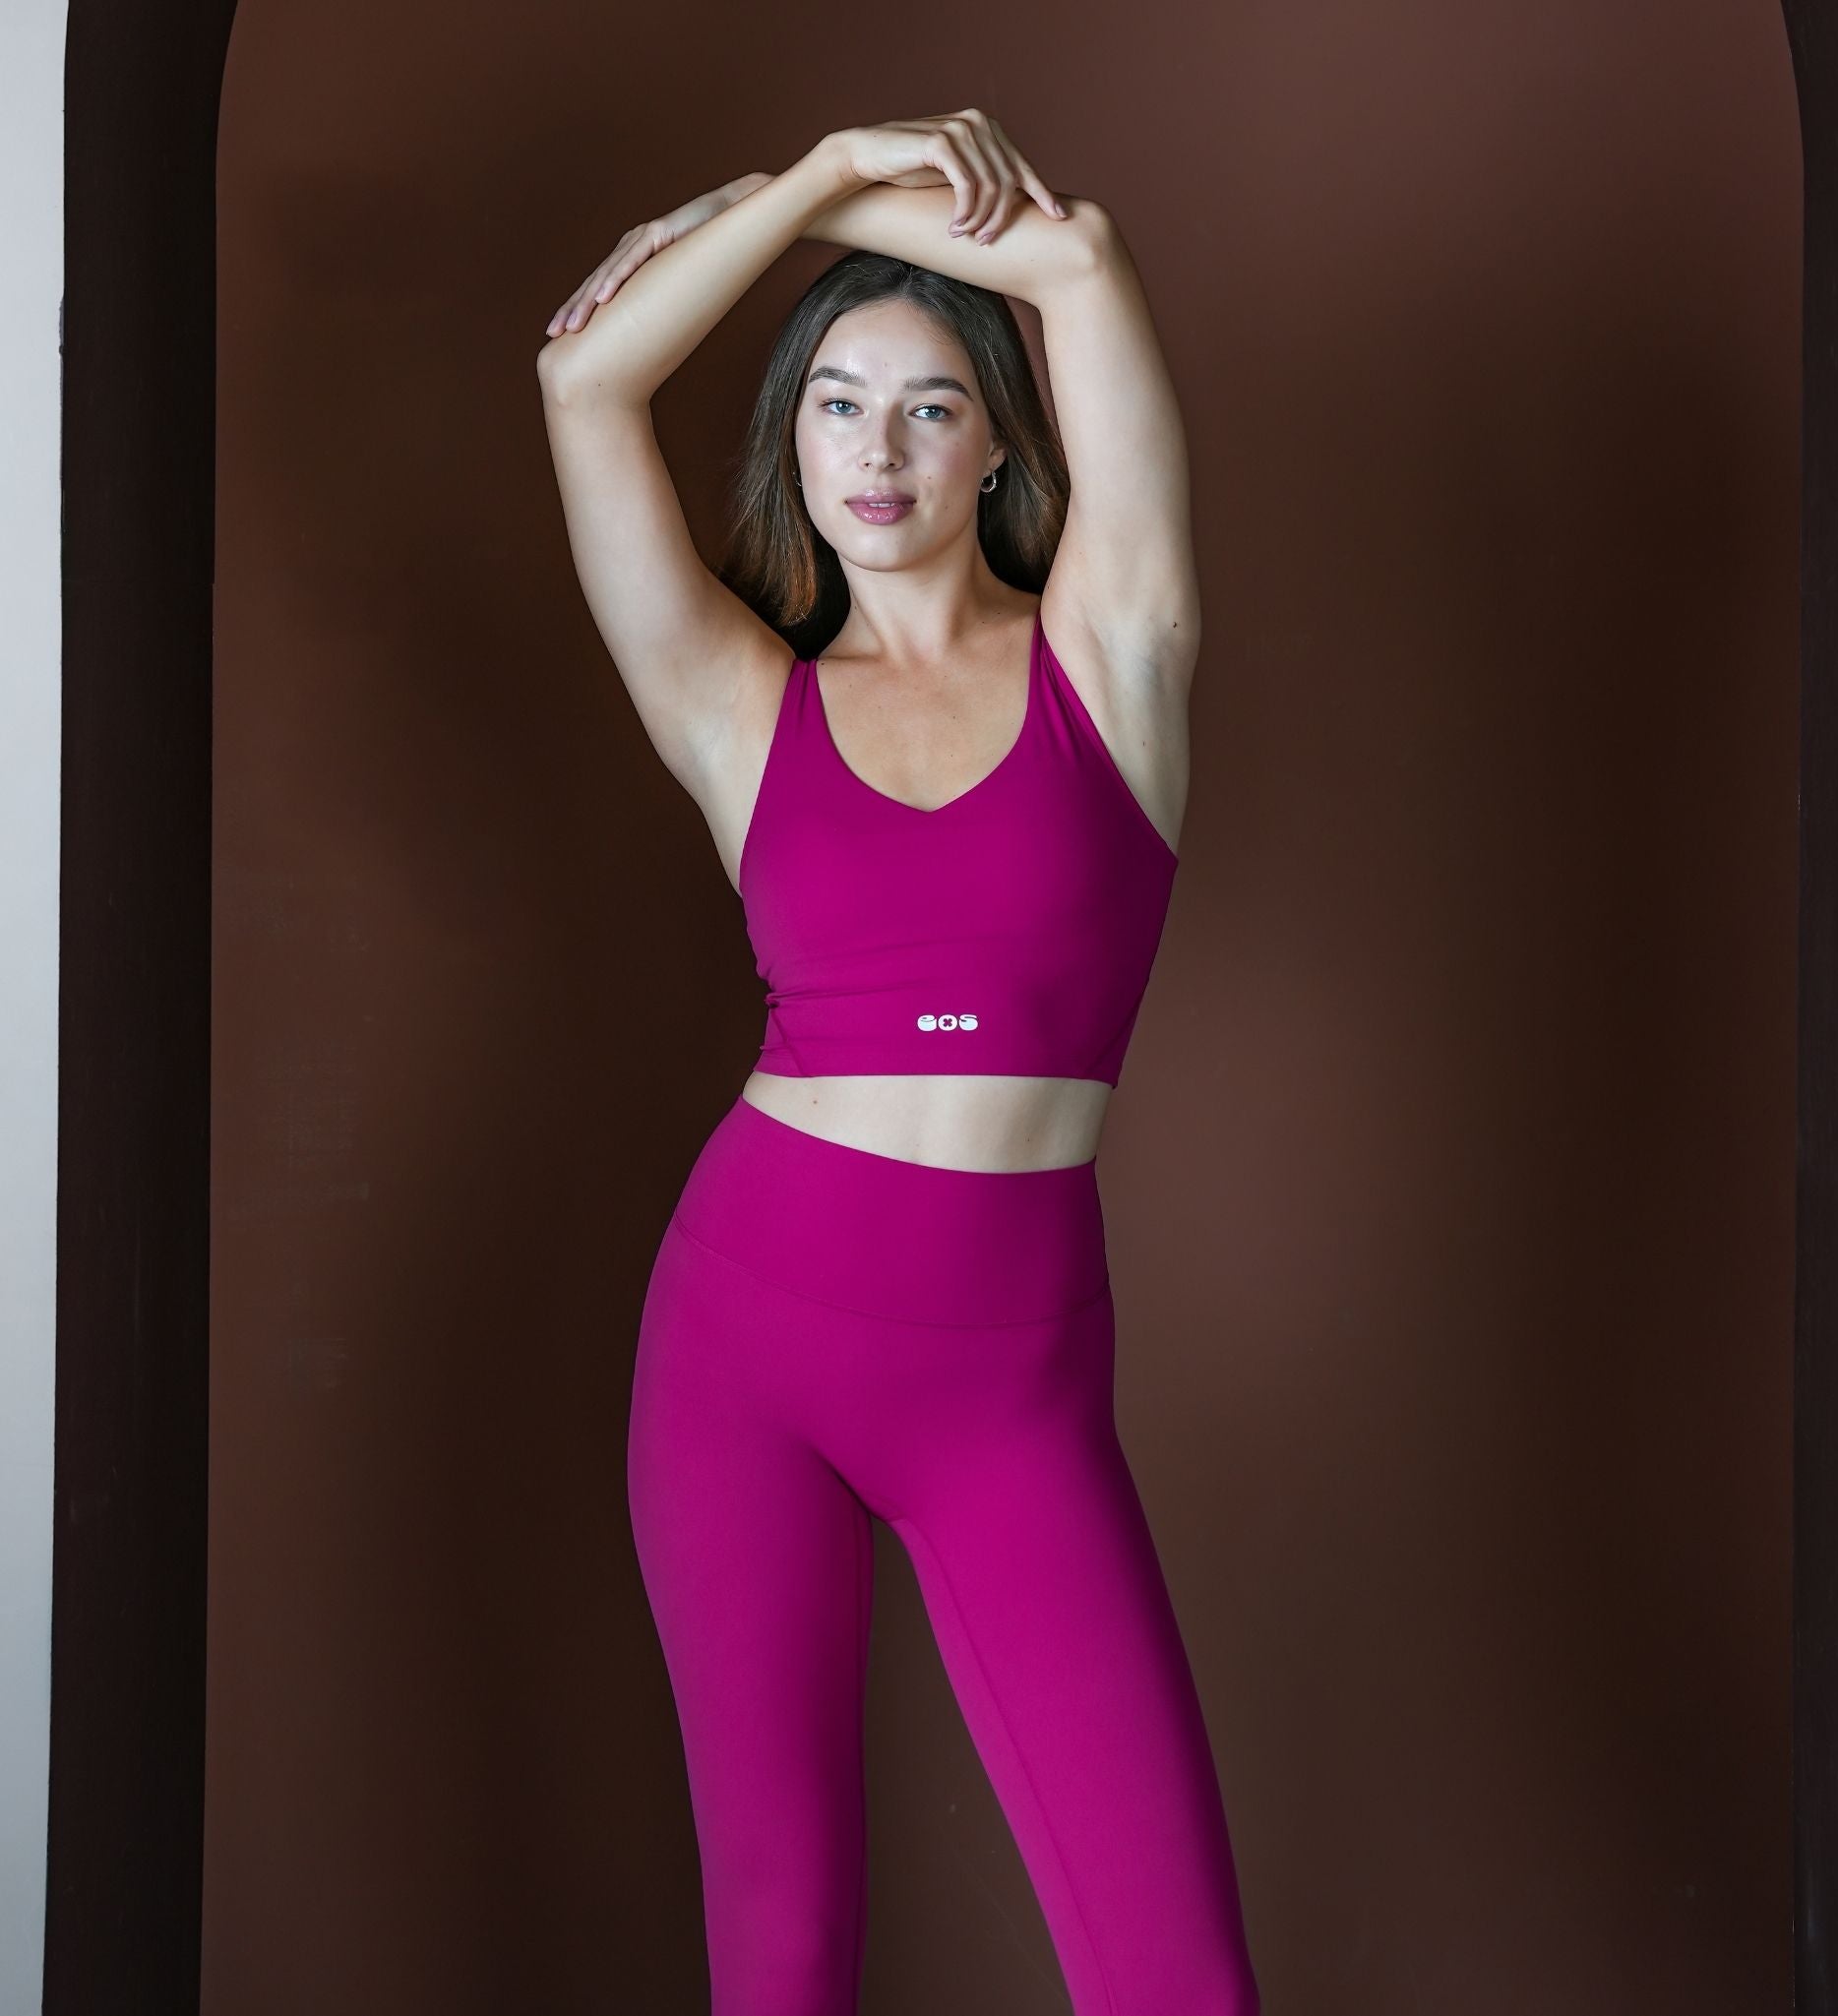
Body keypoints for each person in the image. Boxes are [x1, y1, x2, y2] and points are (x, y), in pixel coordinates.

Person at [537, 110, 1261, 2016]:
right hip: (742, 1329)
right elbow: (584, 373)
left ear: (1003, 441)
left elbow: (1082, 262)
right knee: (778, 1953)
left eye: (931, 405)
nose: (875, 447)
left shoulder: (1116, 651)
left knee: (1171, 1971)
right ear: (789, 437)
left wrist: (867, 205)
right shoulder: (733, 699)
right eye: (834, 401)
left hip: (1008, 1372)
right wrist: (805, 180)